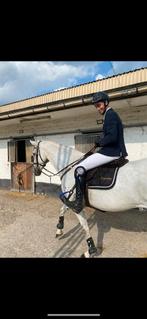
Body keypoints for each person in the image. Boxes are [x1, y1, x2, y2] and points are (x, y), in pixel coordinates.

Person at [61, 91, 128, 213]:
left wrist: (100, 142)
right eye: (96, 106)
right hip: (110, 151)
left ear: (106, 103)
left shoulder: (110, 115)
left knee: (79, 169)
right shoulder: (109, 115)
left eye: (99, 105)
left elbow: (112, 137)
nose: (98, 108)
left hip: (111, 152)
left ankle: (78, 203)